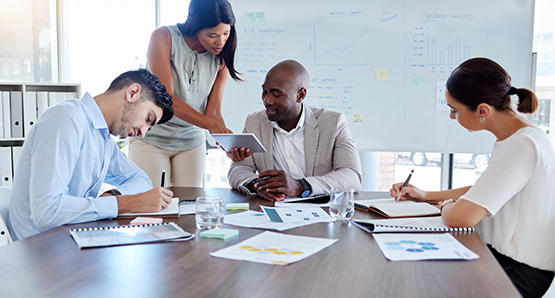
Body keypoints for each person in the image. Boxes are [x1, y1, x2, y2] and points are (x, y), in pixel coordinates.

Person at [389, 58, 555, 298]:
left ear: (482, 111)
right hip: (506, 260)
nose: (451, 116)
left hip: (518, 272)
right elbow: (485, 189)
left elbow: (460, 217)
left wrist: (446, 205)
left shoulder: (522, 146)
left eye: (454, 109)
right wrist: (425, 196)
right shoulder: (521, 136)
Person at [9, 69, 175, 241]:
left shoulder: (102, 138)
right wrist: (126, 203)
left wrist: (113, 196)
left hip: (71, 239)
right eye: (148, 118)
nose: (143, 133)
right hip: (40, 251)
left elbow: (141, 179)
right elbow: (46, 211)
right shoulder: (67, 118)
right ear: (132, 93)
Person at [129, 0, 241, 188]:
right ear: (196, 27)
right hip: (151, 138)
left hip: (191, 142)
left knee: (189, 208)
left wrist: (227, 142)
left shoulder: (220, 58)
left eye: (226, 33)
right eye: (212, 35)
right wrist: (212, 126)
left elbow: (213, 111)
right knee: (152, 206)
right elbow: (167, 98)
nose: (221, 41)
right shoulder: (163, 37)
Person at [227, 60, 362, 201]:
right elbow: (239, 169)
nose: (267, 100)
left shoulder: (333, 123)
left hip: (321, 209)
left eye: (276, 94)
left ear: (301, 95)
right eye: (264, 92)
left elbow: (352, 175)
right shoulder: (254, 122)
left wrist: (301, 186)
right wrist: (259, 186)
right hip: (273, 209)